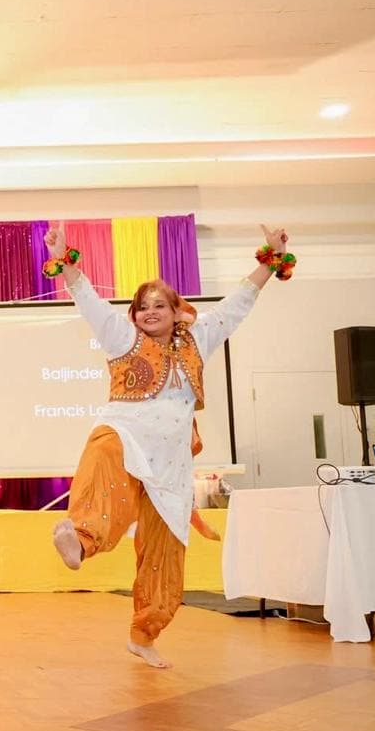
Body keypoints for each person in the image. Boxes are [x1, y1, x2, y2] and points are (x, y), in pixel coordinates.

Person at [47, 222, 292, 669]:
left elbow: (238, 303)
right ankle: (79, 542)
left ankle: (144, 635)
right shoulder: (123, 338)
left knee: (165, 550)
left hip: (171, 463)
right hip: (126, 435)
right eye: (142, 307)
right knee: (103, 451)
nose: (150, 312)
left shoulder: (199, 339)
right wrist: (66, 263)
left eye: (159, 305)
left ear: (178, 311)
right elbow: (90, 302)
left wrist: (269, 259)